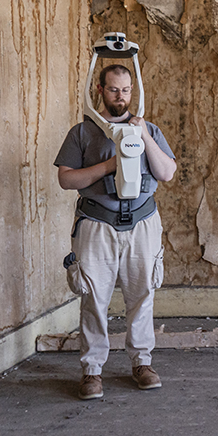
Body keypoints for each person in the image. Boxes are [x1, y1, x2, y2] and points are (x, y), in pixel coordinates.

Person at [54, 63, 176, 400]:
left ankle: (141, 363)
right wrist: (110, 165)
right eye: (113, 90)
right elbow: (66, 179)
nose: (120, 97)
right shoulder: (83, 132)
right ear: (99, 89)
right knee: (94, 296)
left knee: (142, 294)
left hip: (142, 223)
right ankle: (92, 370)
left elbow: (166, 173)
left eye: (125, 90)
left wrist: (143, 137)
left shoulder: (148, 129)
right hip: (97, 224)